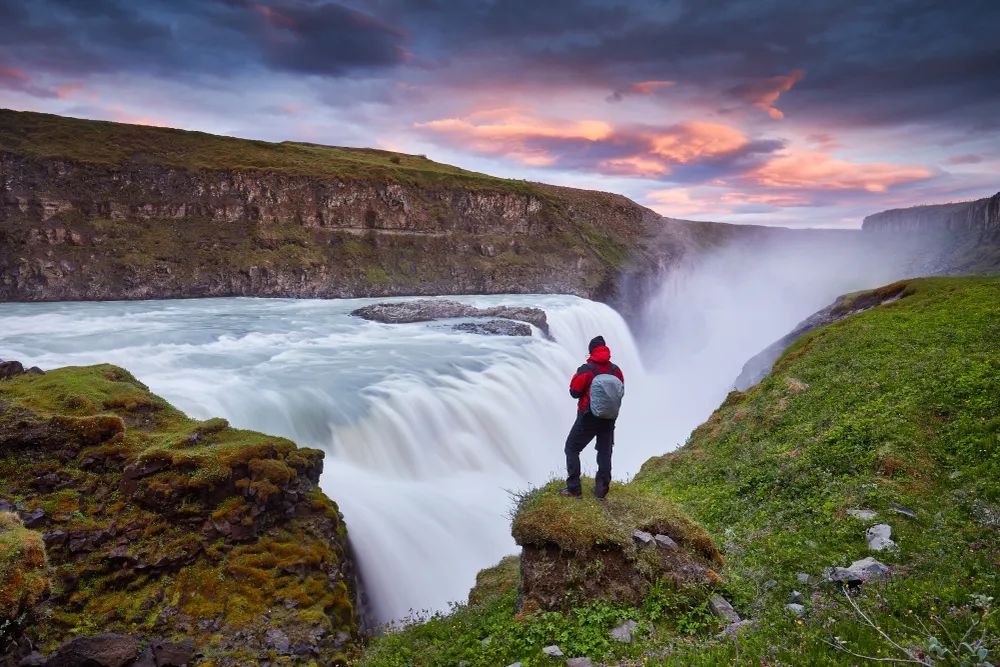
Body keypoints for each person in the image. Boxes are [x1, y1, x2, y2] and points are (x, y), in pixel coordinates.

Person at [559, 335, 625, 499]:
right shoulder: (616, 370)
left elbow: (574, 392)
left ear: (590, 352)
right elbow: (620, 391)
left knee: (572, 448)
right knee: (605, 451)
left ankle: (574, 489)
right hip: (609, 417)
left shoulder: (586, 370)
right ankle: (601, 490)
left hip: (588, 417)